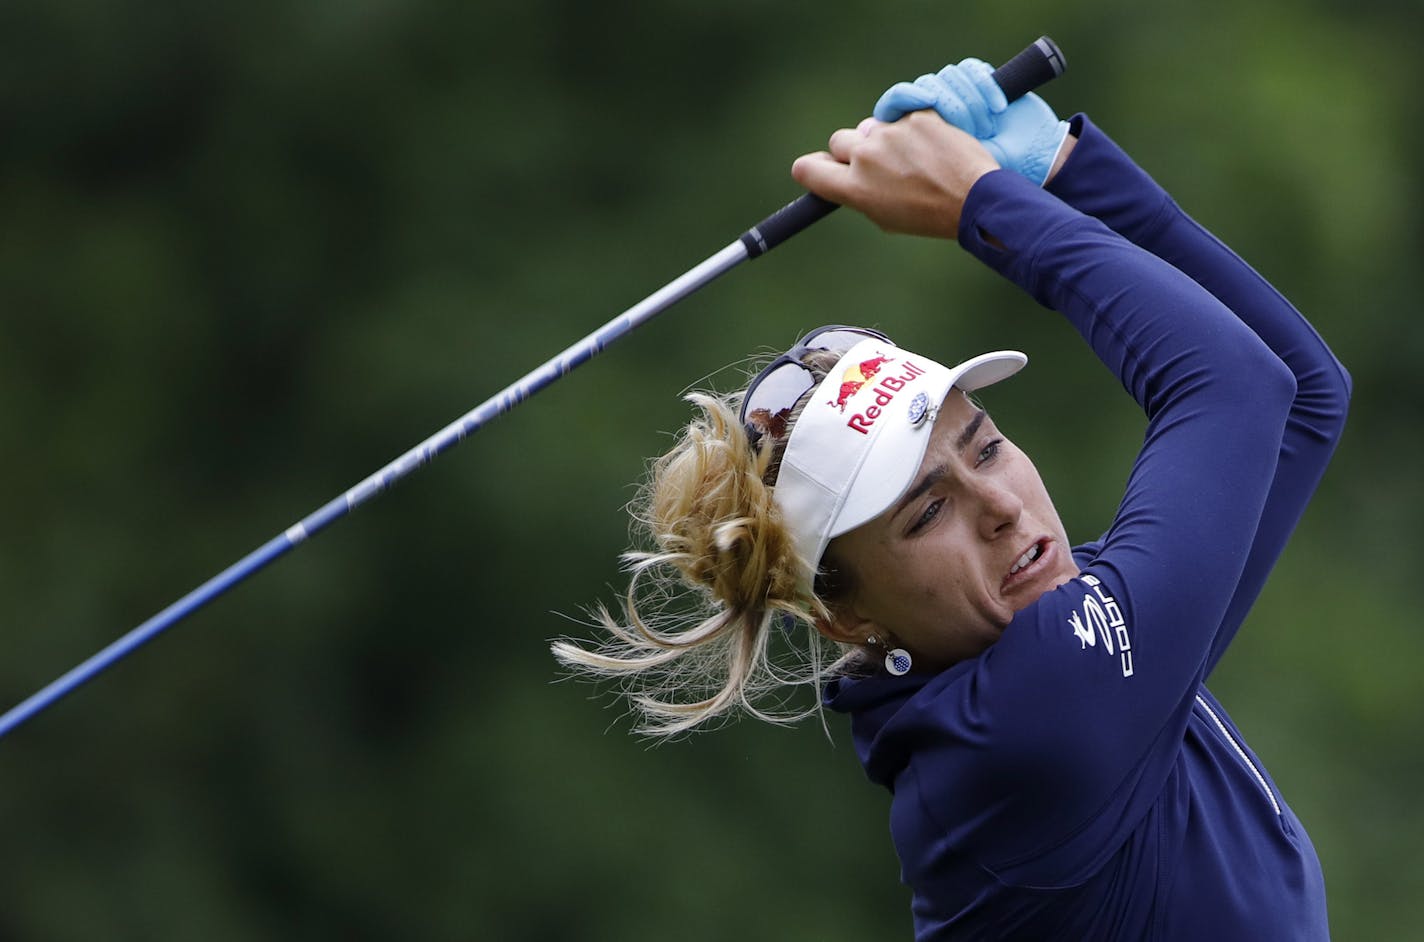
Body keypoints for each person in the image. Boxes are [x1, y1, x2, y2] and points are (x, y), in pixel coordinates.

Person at [553, 56, 1349, 939]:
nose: (1000, 505)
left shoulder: (1080, 650)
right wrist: (984, 203)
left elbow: (1298, 400)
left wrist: (1061, 173)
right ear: (844, 619)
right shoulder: (1027, 726)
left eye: (989, 447)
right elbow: (1236, 389)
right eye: (926, 512)